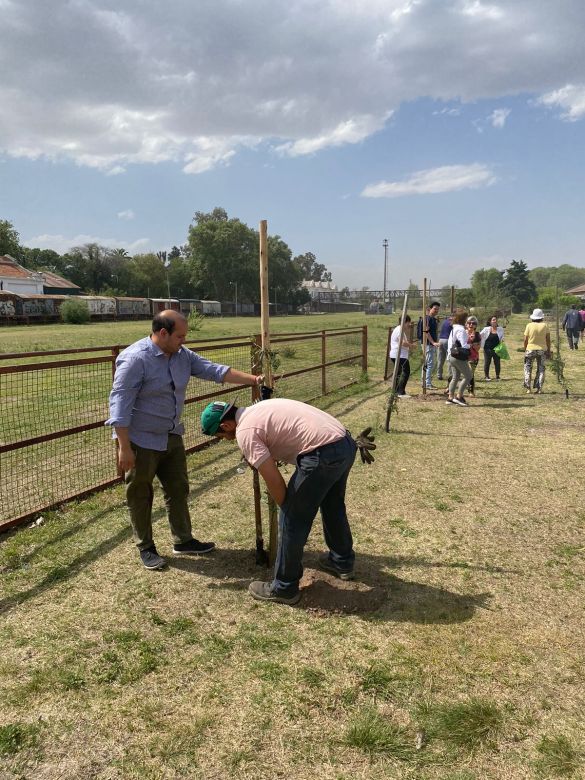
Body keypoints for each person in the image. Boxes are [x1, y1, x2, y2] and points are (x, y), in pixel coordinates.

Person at [106, 310, 263, 570]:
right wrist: (124, 447)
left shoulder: (181, 356)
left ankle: (183, 539)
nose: (184, 341)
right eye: (180, 336)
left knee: (178, 488)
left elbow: (214, 371)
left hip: (171, 434)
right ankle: (146, 547)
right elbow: (119, 405)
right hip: (141, 440)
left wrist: (254, 379)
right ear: (162, 333)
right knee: (140, 494)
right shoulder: (135, 359)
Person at [201, 398, 359, 605]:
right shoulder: (258, 409)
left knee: (292, 518)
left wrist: (287, 508)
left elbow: (273, 479)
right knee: (332, 505)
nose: (224, 439)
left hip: (322, 454)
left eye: (221, 435)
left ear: (226, 425)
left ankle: (284, 587)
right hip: (344, 443)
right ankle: (342, 562)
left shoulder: (245, 432)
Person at [446, 309, 472, 406]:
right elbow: (464, 345)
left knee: (455, 377)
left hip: (451, 355)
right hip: (458, 356)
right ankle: (459, 397)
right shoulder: (461, 329)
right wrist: (471, 345)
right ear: (463, 319)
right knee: (468, 376)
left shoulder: (454, 328)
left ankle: (450, 398)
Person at [523, 308, 551, 394]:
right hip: (542, 350)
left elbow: (525, 339)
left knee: (527, 368)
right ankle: (539, 388)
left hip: (530, 349)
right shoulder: (545, 325)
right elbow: (548, 339)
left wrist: (525, 349)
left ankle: (528, 388)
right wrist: (548, 350)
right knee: (541, 369)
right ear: (541, 317)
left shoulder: (529, 325)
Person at [389, 315, 417, 398]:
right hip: (399, 355)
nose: (409, 325)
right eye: (409, 323)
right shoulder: (399, 330)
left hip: (398, 354)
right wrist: (412, 346)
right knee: (406, 372)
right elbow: (403, 343)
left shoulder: (399, 329)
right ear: (405, 322)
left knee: (398, 373)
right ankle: (401, 392)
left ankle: (395, 391)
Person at [418, 301, 441, 389]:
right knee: (429, 364)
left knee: (427, 363)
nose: (436, 311)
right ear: (429, 309)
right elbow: (426, 332)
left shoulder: (432, 319)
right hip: (427, 344)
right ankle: (427, 383)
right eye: (435, 309)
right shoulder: (427, 319)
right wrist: (433, 342)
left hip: (428, 344)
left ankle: (424, 381)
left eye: (437, 309)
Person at [480, 316, 505, 381]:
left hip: (497, 349)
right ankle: (487, 376)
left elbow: (502, 337)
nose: (495, 321)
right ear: (490, 322)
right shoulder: (486, 329)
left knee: (497, 362)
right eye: (493, 320)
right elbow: (480, 335)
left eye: (496, 320)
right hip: (487, 349)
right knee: (487, 362)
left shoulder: (500, 329)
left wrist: (502, 341)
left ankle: (497, 376)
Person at [465, 316, 481, 396]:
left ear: (476, 325)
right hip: (462, 357)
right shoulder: (462, 333)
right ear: (466, 324)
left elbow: (478, 348)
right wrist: (471, 343)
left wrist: (470, 342)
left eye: (473, 323)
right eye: (469, 323)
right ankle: (449, 388)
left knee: (470, 374)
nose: (471, 325)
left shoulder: (477, 335)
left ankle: (471, 391)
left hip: (473, 357)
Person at [437, 314, 453, 381]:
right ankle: (450, 375)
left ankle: (439, 374)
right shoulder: (452, 322)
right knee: (449, 358)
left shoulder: (444, 321)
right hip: (447, 340)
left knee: (440, 359)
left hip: (441, 340)